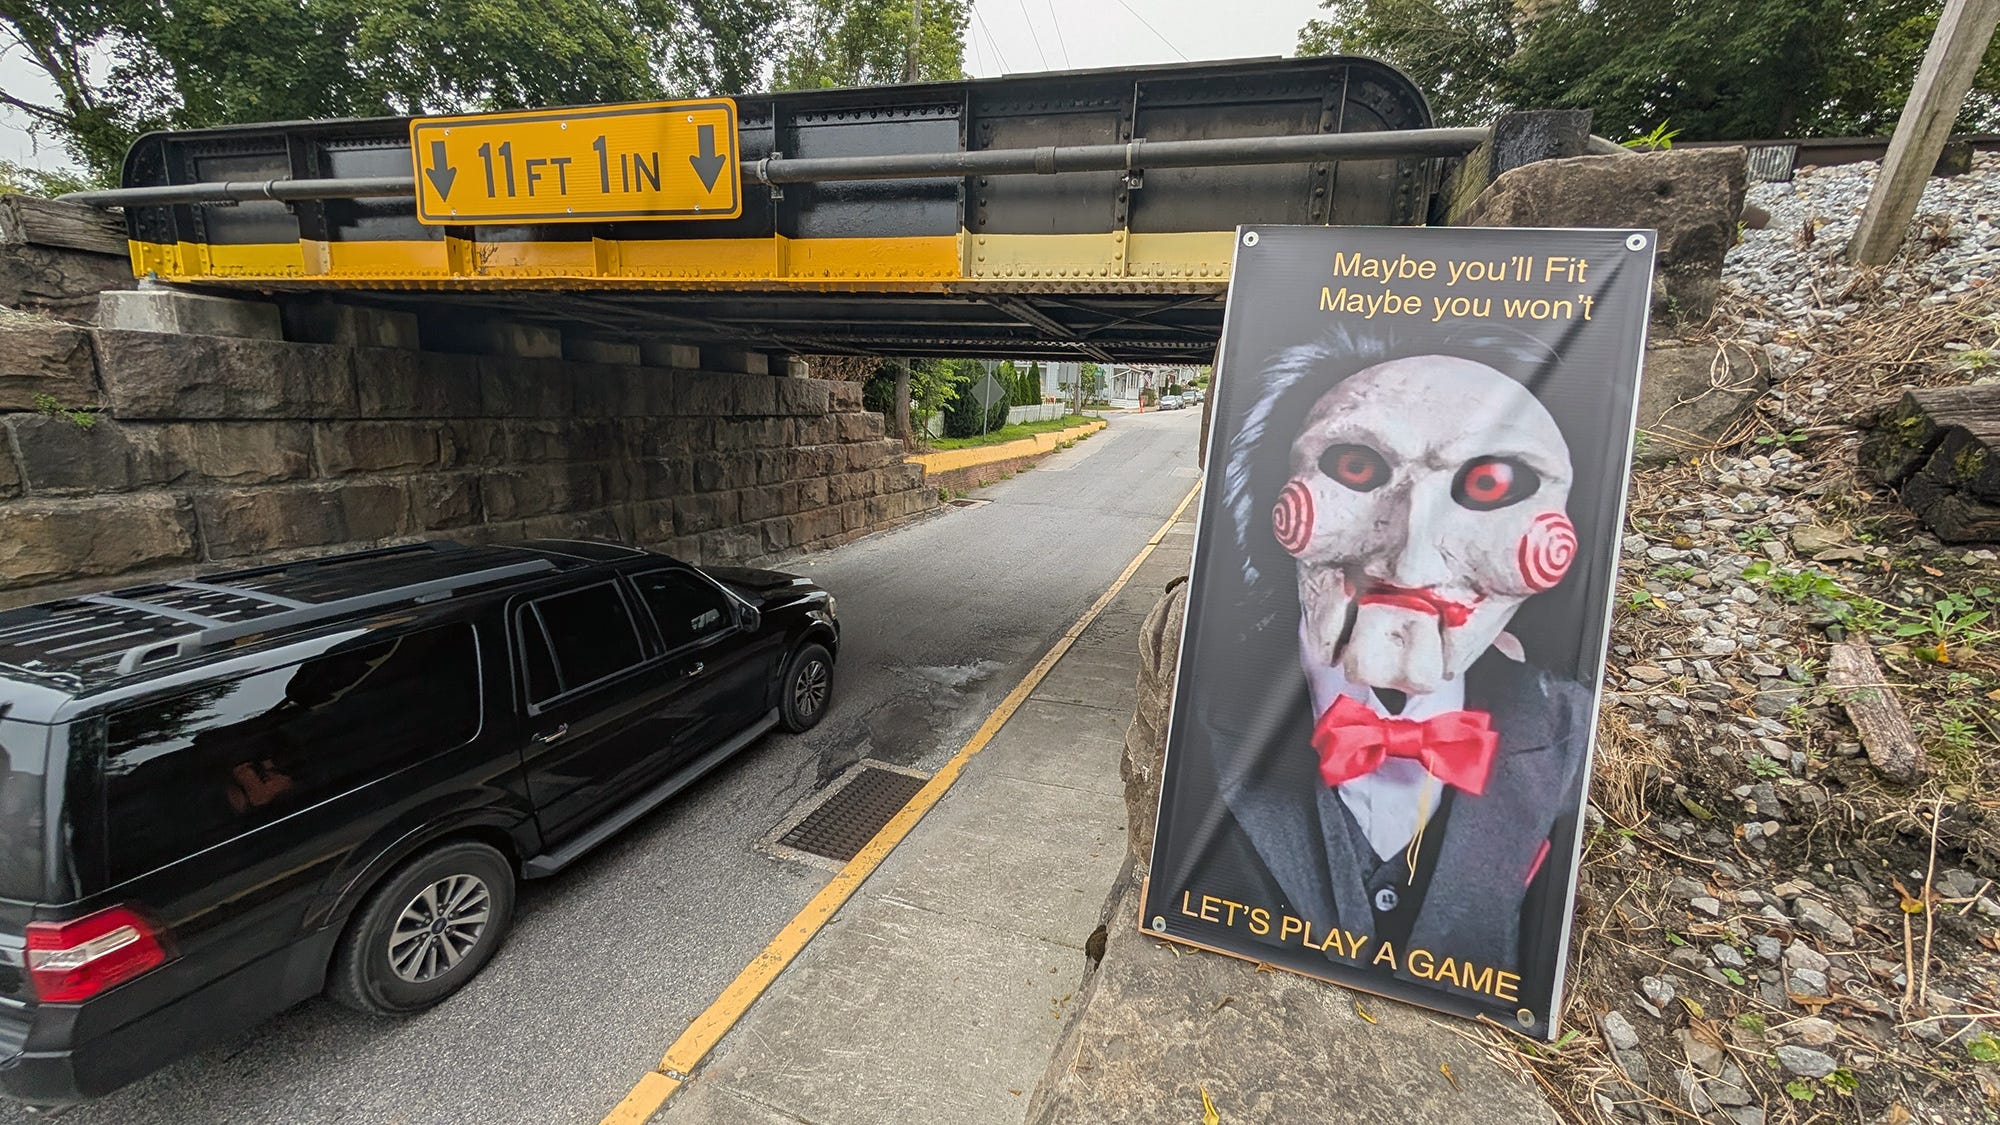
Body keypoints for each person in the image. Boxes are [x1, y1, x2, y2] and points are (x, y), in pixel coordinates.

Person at [1163, 335, 1593, 1029]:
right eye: (1357, 465)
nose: (1413, 555)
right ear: (1275, 501)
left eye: (1491, 484)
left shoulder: (1566, 733)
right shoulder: (1195, 698)